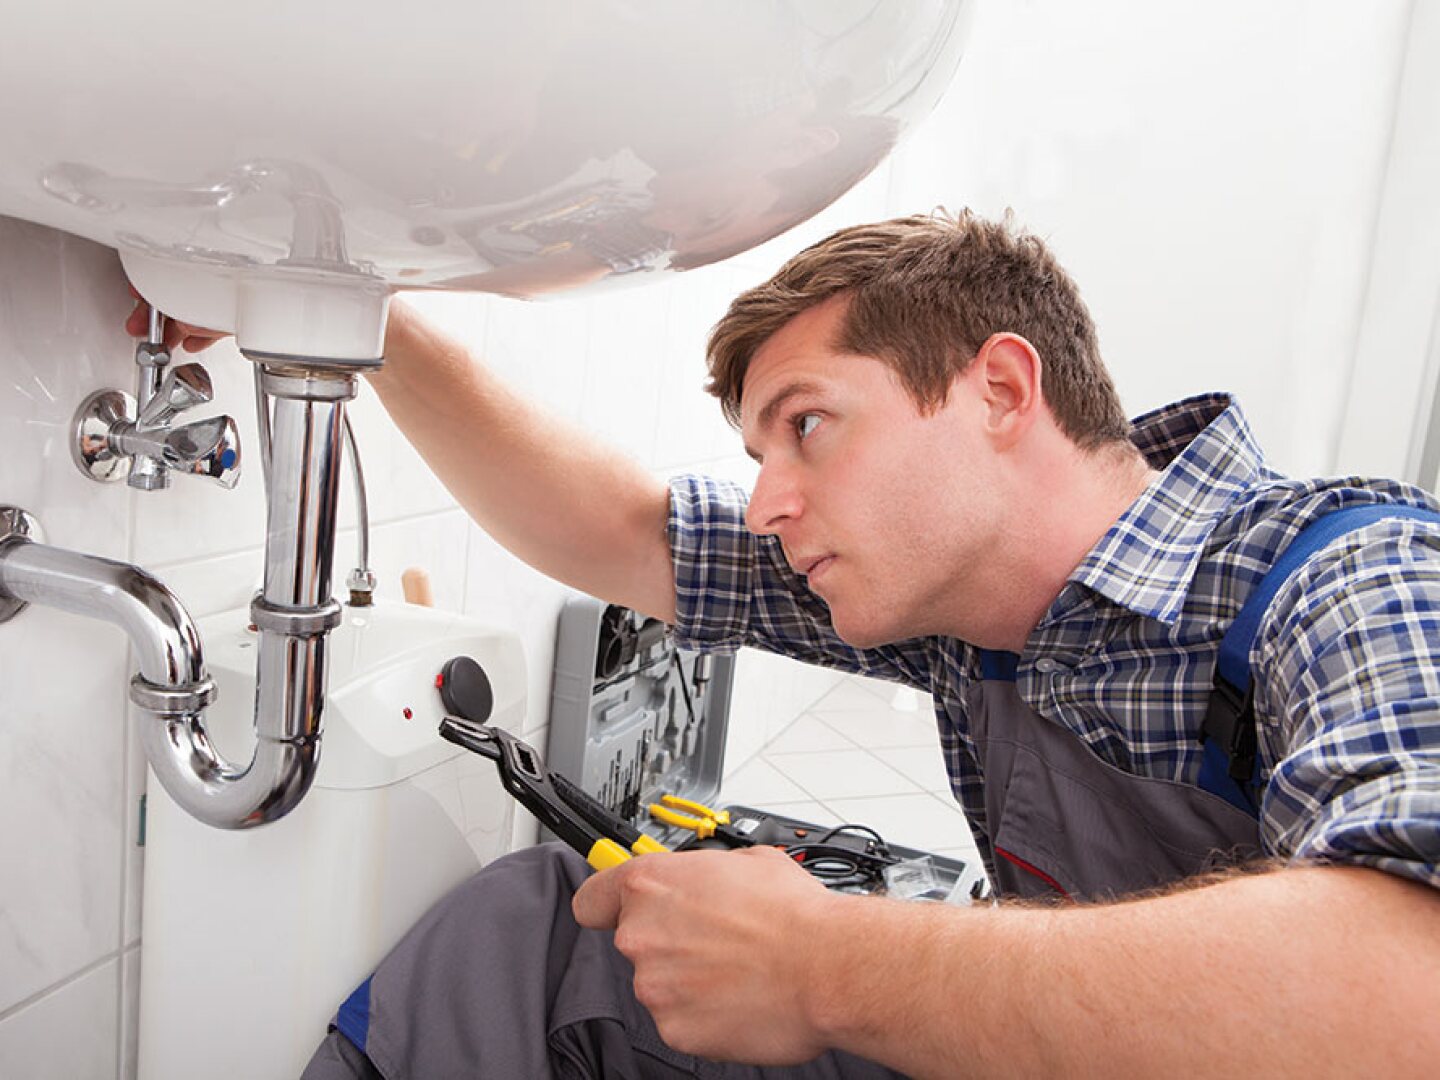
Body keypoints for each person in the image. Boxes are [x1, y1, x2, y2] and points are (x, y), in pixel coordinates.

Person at [132, 211, 1440, 1077]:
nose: (766, 502)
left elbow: (1405, 997)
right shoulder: (964, 617)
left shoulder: (1353, 577)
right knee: (554, 938)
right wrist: (350, 316)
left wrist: (830, 966)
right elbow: (628, 530)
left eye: (807, 426)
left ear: (998, 388)